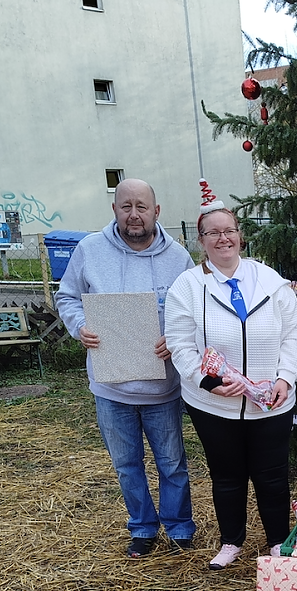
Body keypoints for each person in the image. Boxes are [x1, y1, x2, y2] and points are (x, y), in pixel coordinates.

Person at [55, 178, 196, 558]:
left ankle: (180, 527)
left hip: (162, 388)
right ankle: (143, 528)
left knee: (172, 462)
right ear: (114, 209)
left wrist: (179, 338)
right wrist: (79, 326)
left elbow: (194, 311)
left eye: (142, 206)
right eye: (126, 206)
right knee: (127, 465)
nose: (134, 214)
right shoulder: (89, 250)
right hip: (111, 385)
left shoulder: (179, 258)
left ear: (157, 211)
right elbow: (66, 296)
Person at [164, 195, 297, 570]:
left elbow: (293, 334)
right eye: (213, 233)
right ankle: (231, 541)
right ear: (201, 239)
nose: (222, 239)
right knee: (226, 475)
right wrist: (208, 382)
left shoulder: (270, 281)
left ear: (240, 236)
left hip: (270, 402)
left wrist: (285, 378)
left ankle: (277, 541)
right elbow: (178, 344)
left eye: (229, 231)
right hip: (213, 404)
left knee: (272, 476)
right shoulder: (187, 287)